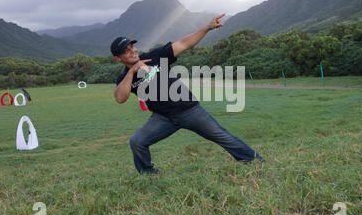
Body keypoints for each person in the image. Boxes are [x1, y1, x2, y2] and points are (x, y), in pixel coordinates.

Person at [112, 14, 264, 174]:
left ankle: (256, 162)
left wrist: (207, 28)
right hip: (162, 117)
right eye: (126, 51)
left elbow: (184, 43)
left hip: (189, 110)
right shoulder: (123, 78)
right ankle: (148, 175)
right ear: (118, 58)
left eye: (132, 47)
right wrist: (132, 72)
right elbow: (120, 98)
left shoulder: (153, 57)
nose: (132, 51)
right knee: (137, 141)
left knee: (222, 136)